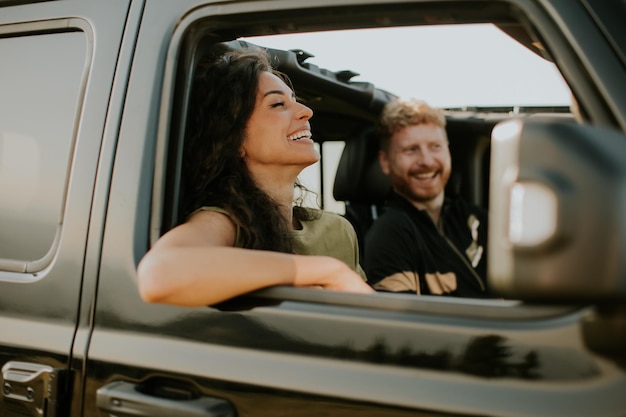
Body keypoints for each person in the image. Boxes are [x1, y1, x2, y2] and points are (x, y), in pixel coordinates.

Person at [136, 44, 373, 307]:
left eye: (295, 100)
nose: (306, 111)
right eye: (277, 104)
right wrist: (327, 271)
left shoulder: (338, 230)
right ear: (233, 138)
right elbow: (160, 274)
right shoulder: (227, 222)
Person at [363, 99, 493, 298]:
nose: (426, 161)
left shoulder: (473, 217)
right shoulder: (389, 234)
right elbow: (401, 321)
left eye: (435, 146)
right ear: (385, 161)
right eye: (411, 150)